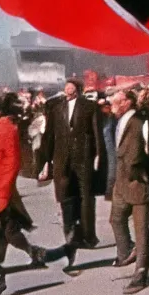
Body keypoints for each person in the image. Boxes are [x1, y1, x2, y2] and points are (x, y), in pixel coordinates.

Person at [0, 94, 46, 295]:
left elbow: (12, 164)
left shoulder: (6, 128)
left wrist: (2, 194)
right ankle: (33, 252)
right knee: (8, 231)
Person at [40, 79, 104, 265]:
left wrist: (98, 154)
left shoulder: (89, 106)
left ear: (78, 90)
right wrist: (46, 161)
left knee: (86, 196)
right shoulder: (56, 107)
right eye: (66, 87)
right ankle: (70, 234)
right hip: (62, 156)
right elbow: (49, 135)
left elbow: (96, 132)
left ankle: (88, 235)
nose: (68, 89)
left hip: (83, 155)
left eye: (72, 87)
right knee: (65, 196)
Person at [108, 91, 149, 295]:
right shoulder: (120, 120)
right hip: (121, 181)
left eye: (115, 101)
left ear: (127, 103)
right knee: (116, 218)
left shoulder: (135, 122)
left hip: (135, 182)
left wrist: (133, 171)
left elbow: (136, 152)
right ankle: (126, 251)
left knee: (141, 230)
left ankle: (141, 273)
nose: (111, 104)